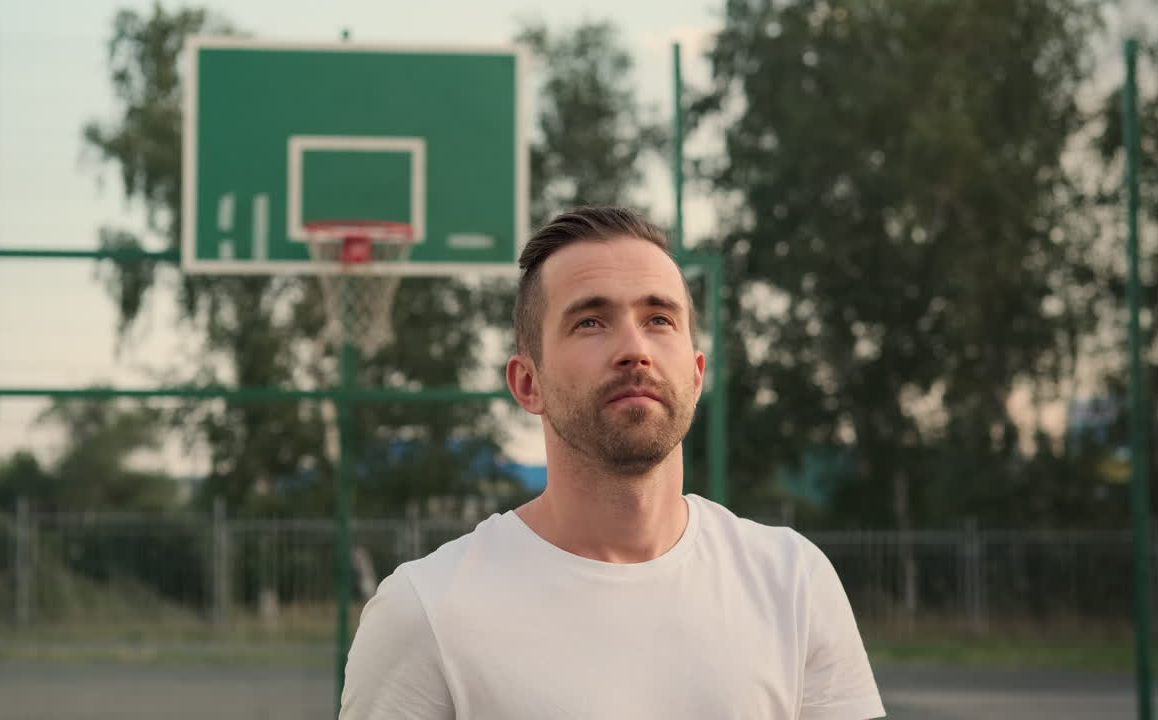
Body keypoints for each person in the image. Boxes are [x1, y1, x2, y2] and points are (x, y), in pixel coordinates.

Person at [340, 206, 885, 719]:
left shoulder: (792, 582)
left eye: (659, 319)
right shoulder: (425, 612)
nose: (634, 349)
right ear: (528, 383)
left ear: (695, 376)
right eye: (591, 322)